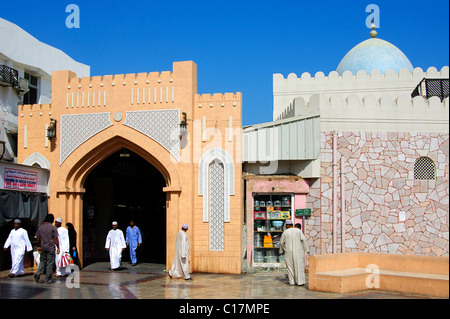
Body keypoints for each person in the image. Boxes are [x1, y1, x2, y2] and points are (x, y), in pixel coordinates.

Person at [279, 219, 310, 286]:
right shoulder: (298, 231)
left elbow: (281, 243)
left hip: (288, 251)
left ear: (287, 225)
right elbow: (304, 240)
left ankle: (292, 282)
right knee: (299, 266)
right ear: (292, 225)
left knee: (290, 267)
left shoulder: (285, 232)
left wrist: (281, 251)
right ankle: (300, 282)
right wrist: (307, 250)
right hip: (298, 251)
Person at [34, 214, 60, 284]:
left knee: (42, 261)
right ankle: (47, 279)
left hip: (43, 247)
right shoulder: (53, 228)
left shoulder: (40, 227)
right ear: (52, 220)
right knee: (49, 263)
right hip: (51, 247)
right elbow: (55, 238)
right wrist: (58, 247)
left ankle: (38, 273)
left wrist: (38, 246)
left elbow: (38, 239)